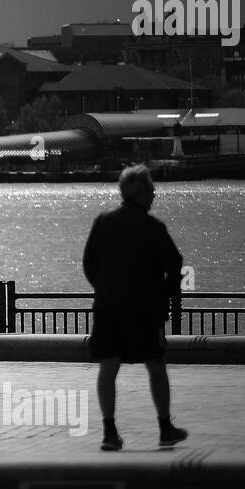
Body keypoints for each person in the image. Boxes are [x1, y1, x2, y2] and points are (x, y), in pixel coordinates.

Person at [82, 164, 189, 451]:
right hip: (144, 310)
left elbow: (88, 263)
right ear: (139, 192)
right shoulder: (153, 227)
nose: (154, 195)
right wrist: (167, 293)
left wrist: (103, 289)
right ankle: (165, 428)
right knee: (155, 364)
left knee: (108, 366)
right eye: (151, 189)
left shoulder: (102, 222)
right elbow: (175, 263)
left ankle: (109, 432)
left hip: (107, 307)